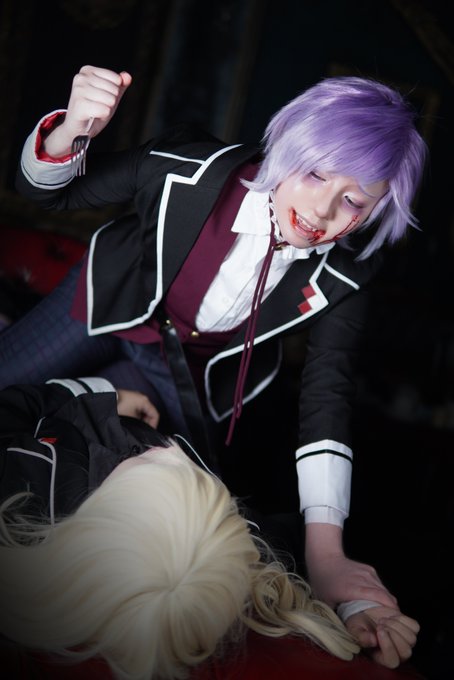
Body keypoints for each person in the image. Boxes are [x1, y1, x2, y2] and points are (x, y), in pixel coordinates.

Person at [0, 65, 427, 666]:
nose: (322, 209)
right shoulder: (184, 165)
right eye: (315, 173)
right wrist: (71, 130)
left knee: (182, 519)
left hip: (182, 376)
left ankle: (95, 396)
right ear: (288, 144)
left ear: (379, 207)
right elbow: (48, 193)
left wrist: (328, 555)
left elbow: (326, 397)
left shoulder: (352, 269)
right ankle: (89, 386)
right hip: (99, 306)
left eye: (354, 200)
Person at [0, 377, 394, 680]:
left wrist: (108, 394)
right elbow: (297, 547)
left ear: (108, 513)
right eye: (191, 474)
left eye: (154, 467)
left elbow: (14, 405)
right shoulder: (229, 544)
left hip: (79, 402)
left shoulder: (26, 483)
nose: (172, 448)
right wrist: (354, 605)